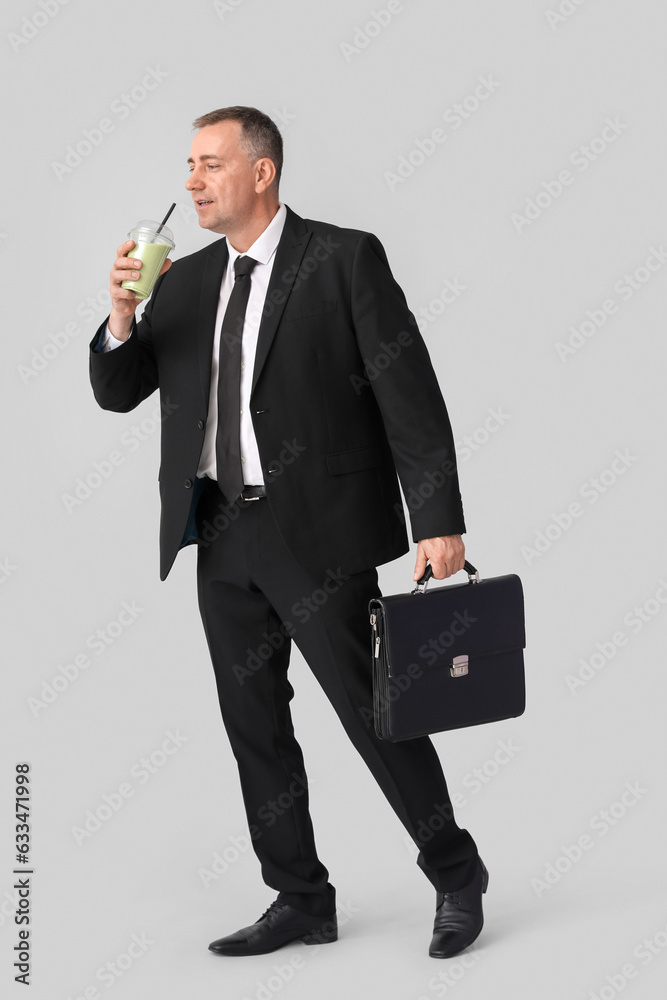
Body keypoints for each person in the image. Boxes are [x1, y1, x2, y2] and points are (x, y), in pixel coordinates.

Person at [89, 106, 488, 960]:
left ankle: (456, 875)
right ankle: (299, 896)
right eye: (187, 166)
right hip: (220, 532)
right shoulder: (187, 280)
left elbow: (409, 395)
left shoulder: (343, 259)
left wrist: (438, 520)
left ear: (261, 172)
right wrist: (122, 315)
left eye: (209, 164)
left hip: (320, 533)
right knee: (254, 725)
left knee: (375, 715)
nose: (190, 181)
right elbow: (119, 390)